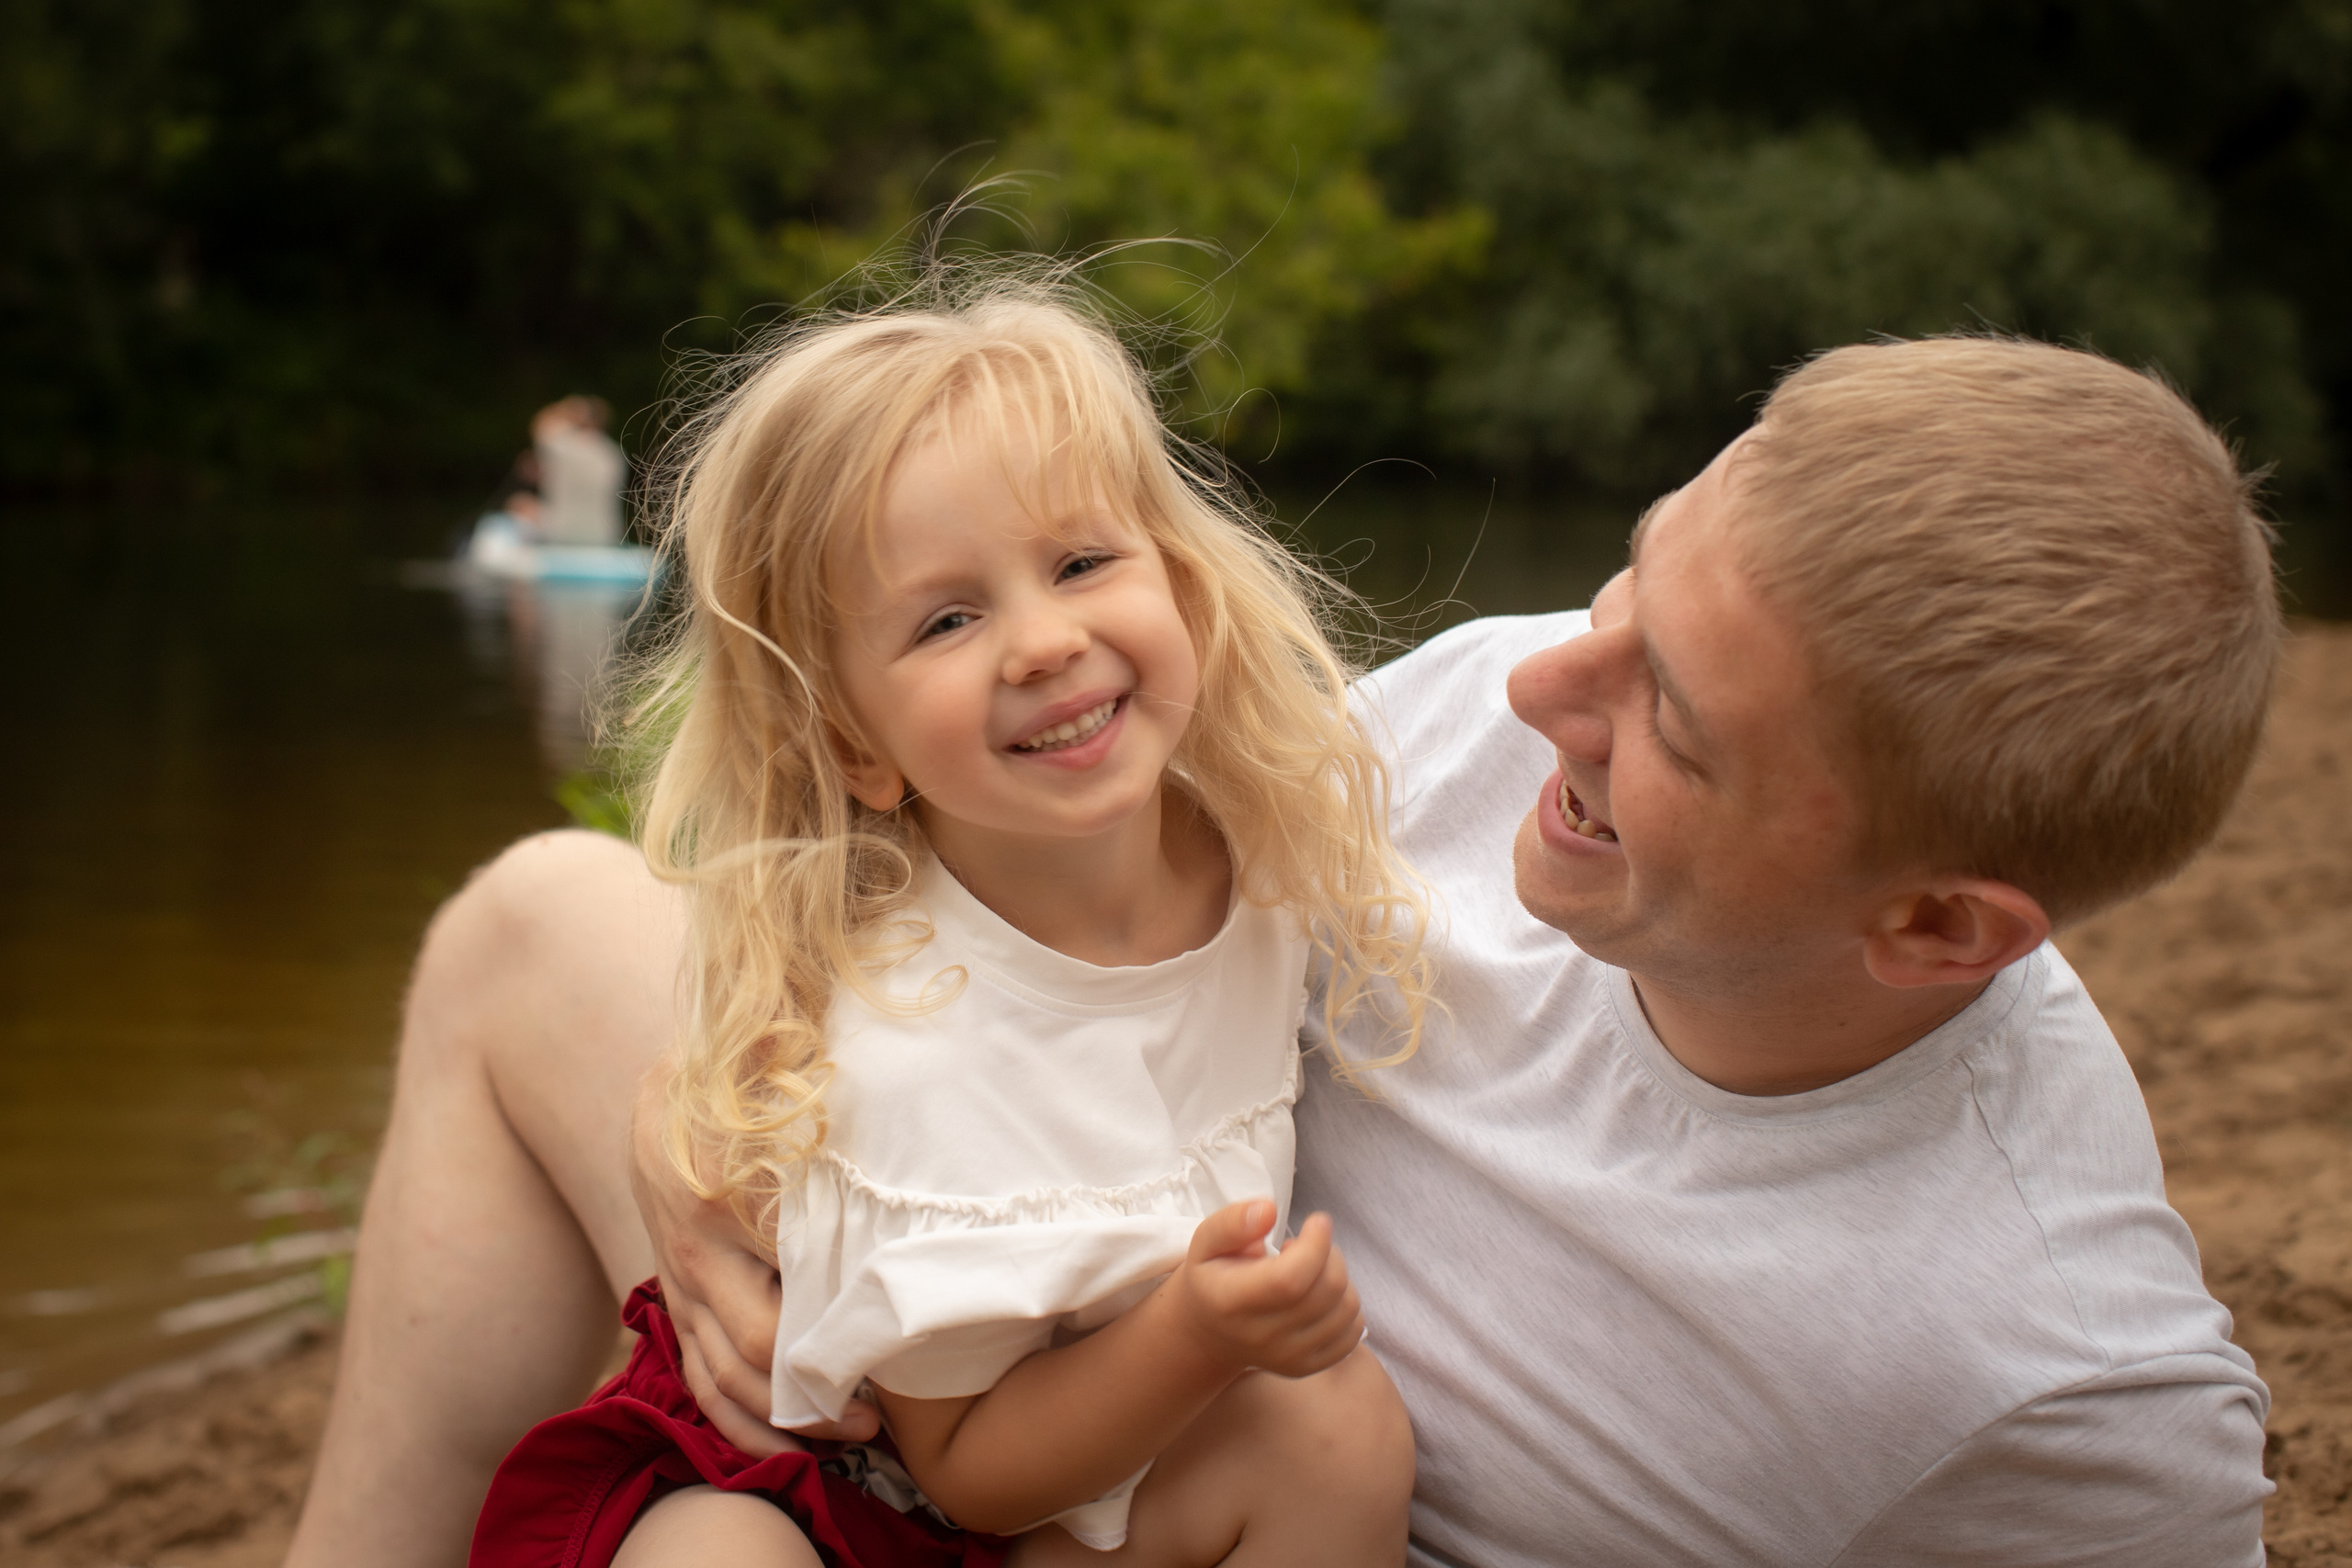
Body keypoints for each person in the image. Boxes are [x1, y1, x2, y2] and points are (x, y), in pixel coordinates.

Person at [286, 333, 2278, 1568]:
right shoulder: (1470, 721)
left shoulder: (2046, 1377)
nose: (1536, 687)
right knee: (533, 920)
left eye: (1666, 714)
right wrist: (696, 1097)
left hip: (1196, 1502)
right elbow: (1018, 906)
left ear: (1936, 927)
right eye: (1624, 580)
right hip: (972, 1372)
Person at [466, 288, 1430, 1567]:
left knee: (1333, 1424)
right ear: (856, 744)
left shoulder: (1264, 848)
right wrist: (1199, 1330)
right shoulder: (913, 1043)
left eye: (1083, 561)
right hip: (853, 1493)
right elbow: (968, 1471)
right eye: (947, 618)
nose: (1044, 639)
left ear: (1182, 581)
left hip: (1090, 1481)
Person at [534, 395, 628, 547]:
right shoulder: (613, 454)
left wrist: (567, 407)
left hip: (562, 533)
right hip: (604, 535)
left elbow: (543, 424)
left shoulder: (563, 446)